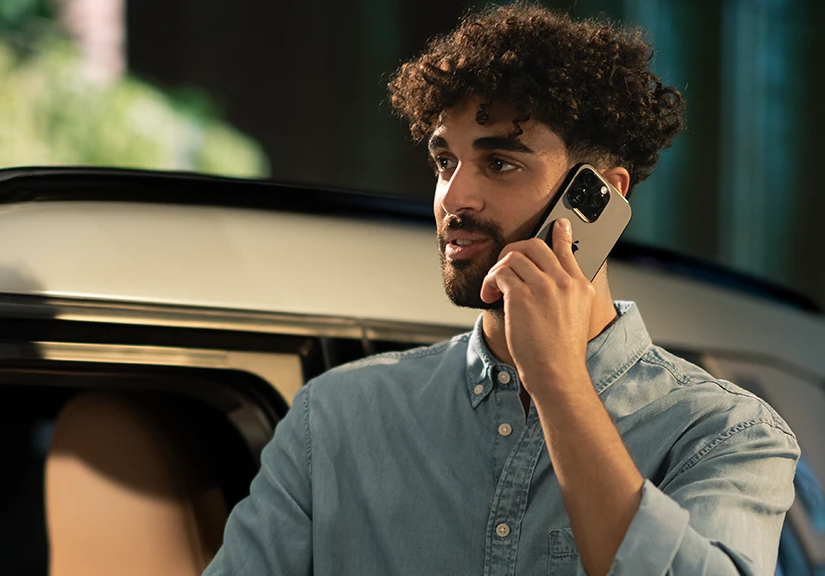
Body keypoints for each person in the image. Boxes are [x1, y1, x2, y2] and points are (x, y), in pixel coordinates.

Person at [203, 3, 800, 575]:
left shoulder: (726, 433)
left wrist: (559, 381)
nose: (454, 198)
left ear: (603, 196)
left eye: (500, 164)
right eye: (445, 163)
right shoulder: (332, 419)